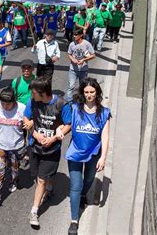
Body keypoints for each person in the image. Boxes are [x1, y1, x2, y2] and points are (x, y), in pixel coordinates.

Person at [23, 77, 72, 228]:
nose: (31, 95)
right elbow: (26, 118)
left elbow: (68, 124)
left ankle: (34, 211)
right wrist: (35, 134)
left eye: (33, 93)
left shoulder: (61, 104)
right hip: (35, 147)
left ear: (43, 93)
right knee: (39, 177)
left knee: (41, 180)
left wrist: (54, 138)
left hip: (52, 149)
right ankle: (49, 187)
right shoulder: (33, 102)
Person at [65, 78, 111, 234]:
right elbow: (66, 124)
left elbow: (105, 137)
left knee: (89, 179)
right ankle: (74, 220)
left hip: (93, 154)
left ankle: (84, 194)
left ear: (97, 92)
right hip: (75, 154)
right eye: (86, 92)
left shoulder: (104, 113)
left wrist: (103, 157)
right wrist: (59, 131)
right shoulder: (74, 109)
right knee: (75, 186)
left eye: (92, 92)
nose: (89, 95)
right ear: (82, 93)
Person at [0, 87, 27, 213]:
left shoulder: (22, 108)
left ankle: (13, 181)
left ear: (14, 102)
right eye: (2, 103)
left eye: (8, 104)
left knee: (14, 169)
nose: (5, 106)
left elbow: (29, 124)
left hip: (16, 146)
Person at [65, 29, 96, 103]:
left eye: (76, 34)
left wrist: (84, 60)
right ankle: (68, 102)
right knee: (71, 86)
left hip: (83, 70)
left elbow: (93, 55)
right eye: (74, 34)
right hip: (73, 69)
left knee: (82, 87)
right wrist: (72, 59)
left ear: (81, 35)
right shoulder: (72, 44)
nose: (74, 36)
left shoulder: (87, 44)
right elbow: (69, 54)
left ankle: (81, 101)